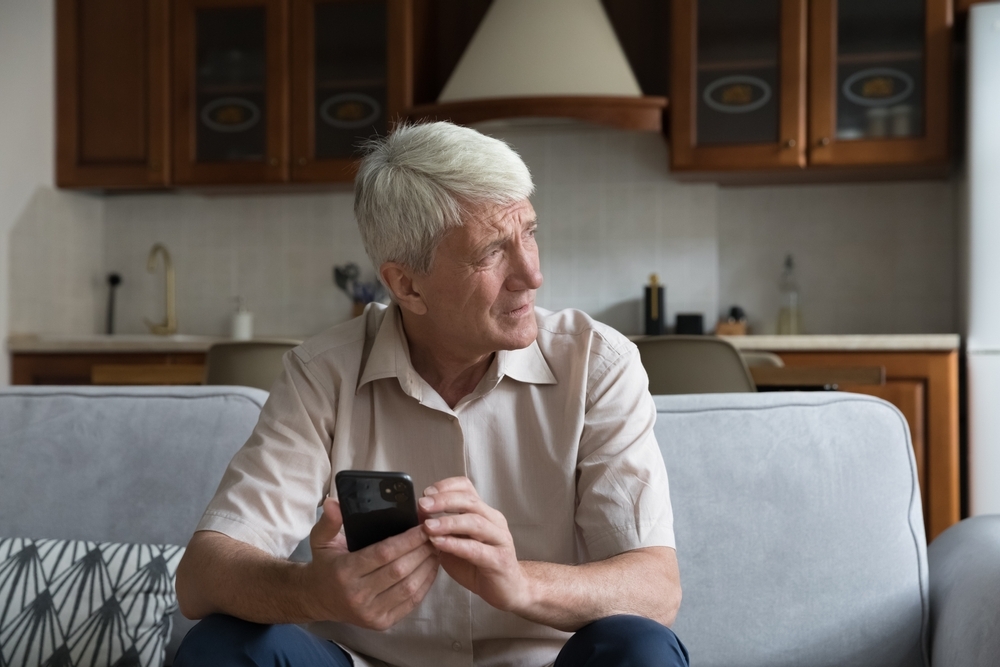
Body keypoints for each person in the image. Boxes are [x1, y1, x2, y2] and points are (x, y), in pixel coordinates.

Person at [173, 121, 688, 667]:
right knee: (222, 645)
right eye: (492, 252)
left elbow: (656, 589)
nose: (532, 274)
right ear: (406, 285)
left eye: (530, 232)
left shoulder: (597, 363)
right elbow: (202, 577)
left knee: (642, 648)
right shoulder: (322, 373)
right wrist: (312, 593)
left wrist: (521, 584)